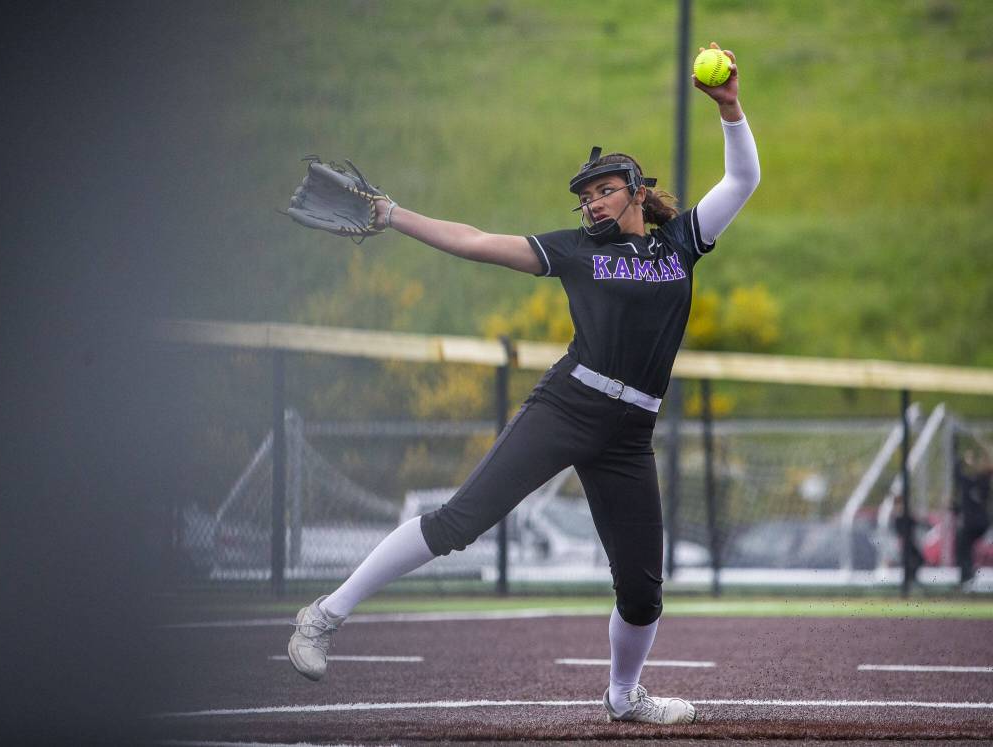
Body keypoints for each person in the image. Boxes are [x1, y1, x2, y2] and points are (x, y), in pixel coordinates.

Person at [288, 42, 759, 726]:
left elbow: (742, 181)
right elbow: (475, 239)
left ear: (634, 188)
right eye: (584, 195)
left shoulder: (679, 243)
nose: (592, 201)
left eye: (602, 188)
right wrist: (394, 215)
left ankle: (624, 696)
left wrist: (730, 108)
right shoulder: (574, 251)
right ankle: (324, 614)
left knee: (643, 591)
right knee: (459, 521)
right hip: (571, 402)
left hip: (631, 433)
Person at [955, 449, 992, 586]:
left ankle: (967, 577)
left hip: (974, 523)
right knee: (965, 546)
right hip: (981, 524)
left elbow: (957, 474)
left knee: (963, 547)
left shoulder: (977, 482)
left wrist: (964, 460)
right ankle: (968, 575)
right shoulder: (979, 483)